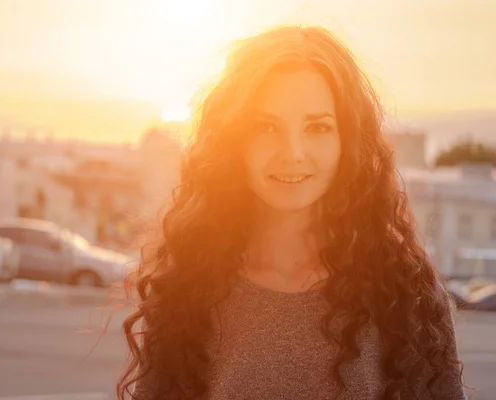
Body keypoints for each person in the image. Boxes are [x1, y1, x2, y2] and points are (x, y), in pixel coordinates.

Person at [117, 25, 466, 400]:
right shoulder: (186, 287)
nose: (293, 152)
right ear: (234, 140)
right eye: (266, 126)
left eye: (317, 127)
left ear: (346, 140)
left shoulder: (403, 290)